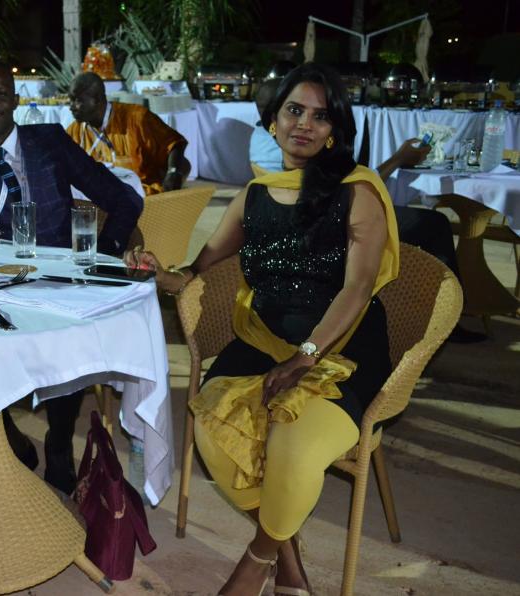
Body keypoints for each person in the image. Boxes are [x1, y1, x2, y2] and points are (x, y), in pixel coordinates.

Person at [128, 63, 399, 595]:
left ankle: (255, 563)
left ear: (335, 130)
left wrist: (304, 357)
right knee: (212, 431)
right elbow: (196, 272)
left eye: (320, 116)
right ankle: (288, 561)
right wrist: (159, 273)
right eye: (294, 111)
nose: (305, 124)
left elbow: (358, 288)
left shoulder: (357, 191)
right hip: (261, 342)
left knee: (293, 449)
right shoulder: (253, 197)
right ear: (273, 121)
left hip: (341, 347)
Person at [0, 61, 143, 495]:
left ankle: (58, 442)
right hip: (2, 282)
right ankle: (5, 431)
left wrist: (103, 252)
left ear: (16, 100)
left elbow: (123, 199)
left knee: (65, 337)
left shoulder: (49, 141)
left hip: (62, 276)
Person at [250, 78, 485, 343]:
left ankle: (434, 307)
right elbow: (341, 193)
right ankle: (445, 316)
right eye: (297, 109)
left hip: (316, 217)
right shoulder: (290, 144)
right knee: (432, 224)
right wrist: (397, 159)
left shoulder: (261, 138)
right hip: (319, 222)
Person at [67, 72, 191, 195]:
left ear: (98, 99)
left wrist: (173, 171)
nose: (71, 107)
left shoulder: (137, 118)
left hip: (143, 198)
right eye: (70, 101)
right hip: (97, 199)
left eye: (78, 100)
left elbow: (174, 144)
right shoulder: (74, 131)